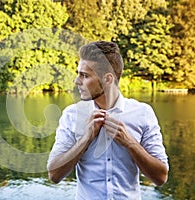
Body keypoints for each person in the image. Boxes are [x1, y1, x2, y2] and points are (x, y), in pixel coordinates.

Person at [47, 41, 169, 199]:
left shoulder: (143, 113)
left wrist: (130, 143)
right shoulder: (71, 115)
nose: (77, 81)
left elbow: (161, 177)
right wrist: (85, 139)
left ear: (108, 79)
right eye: (78, 74)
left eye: (84, 75)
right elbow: (54, 175)